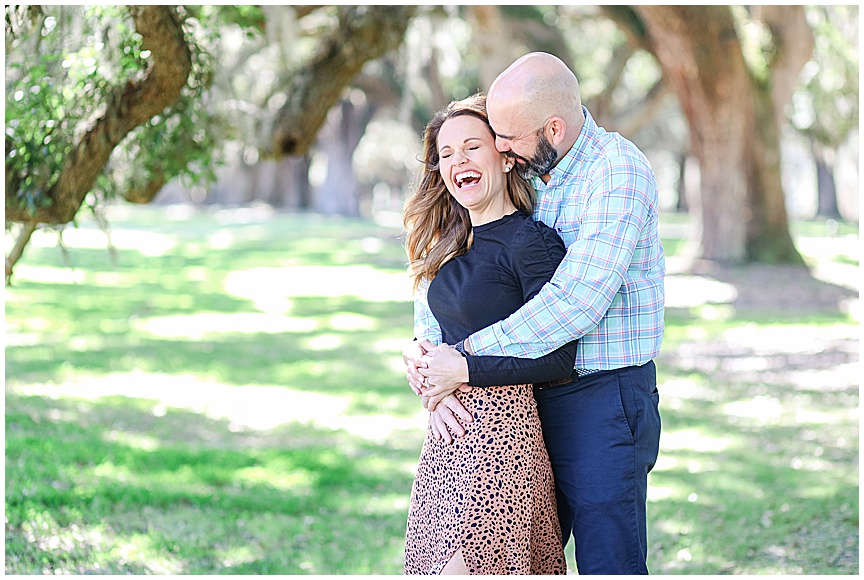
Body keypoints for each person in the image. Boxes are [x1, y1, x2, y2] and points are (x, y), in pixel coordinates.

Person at [405, 52, 665, 574]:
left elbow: (573, 302)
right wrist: (423, 358)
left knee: (606, 560)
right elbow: (468, 283)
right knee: (518, 564)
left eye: (508, 138)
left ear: (553, 127)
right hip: (511, 407)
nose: (499, 148)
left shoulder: (616, 172)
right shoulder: (533, 171)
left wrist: (462, 362)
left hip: (599, 397)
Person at [402, 93, 577, 575]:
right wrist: (422, 368)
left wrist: (463, 369)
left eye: (471, 147)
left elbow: (561, 359)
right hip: (444, 438)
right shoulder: (447, 245)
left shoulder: (530, 242)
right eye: (446, 154)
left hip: (502, 442)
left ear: (503, 154)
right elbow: (437, 334)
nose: (458, 161)